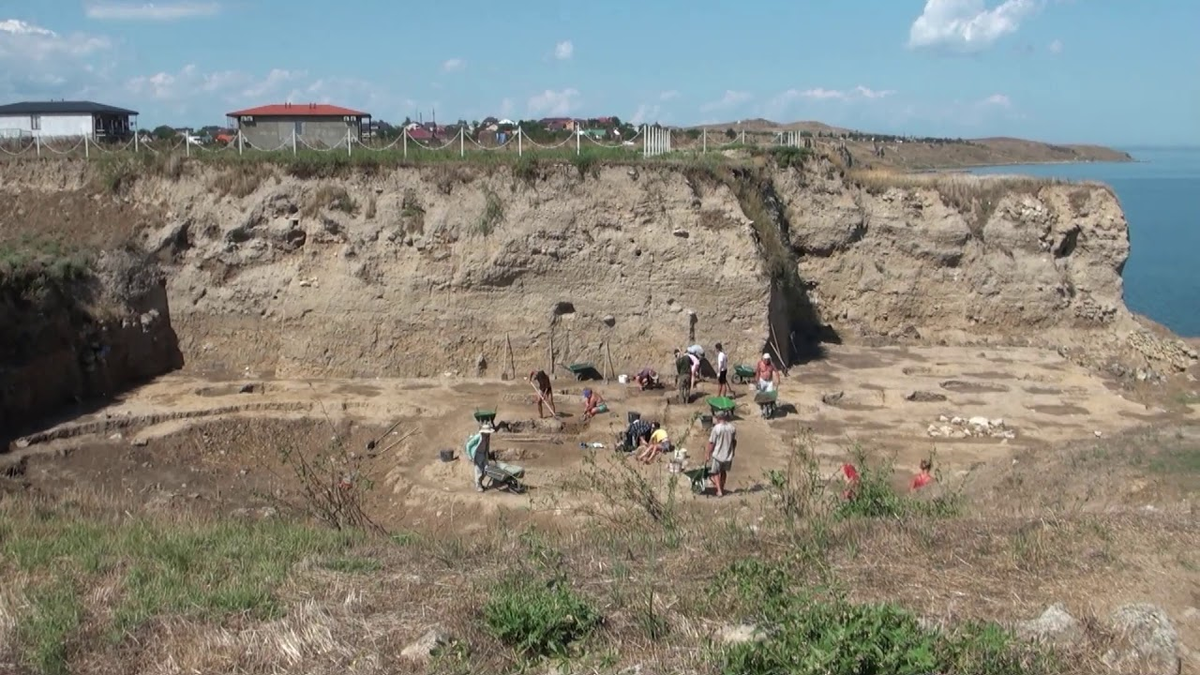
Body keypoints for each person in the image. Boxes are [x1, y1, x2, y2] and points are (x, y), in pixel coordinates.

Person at [706, 410, 737, 497]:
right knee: (723, 471)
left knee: (715, 472)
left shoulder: (717, 428)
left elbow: (711, 443)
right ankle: (722, 487)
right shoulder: (732, 428)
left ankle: (719, 491)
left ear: (718, 418)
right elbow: (734, 442)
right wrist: (733, 451)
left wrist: (708, 453)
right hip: (728, 455)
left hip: (718, 455)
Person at [465, 422, 494, 492]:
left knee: (486, 470)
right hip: (477, 454)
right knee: (478, 470)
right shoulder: (478, 437)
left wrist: (488, 453)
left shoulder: (488, 437)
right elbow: (468, 445)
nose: (488, 434)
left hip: (484, 454)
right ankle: (478, 486)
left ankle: (480, 483)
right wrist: (469, 456)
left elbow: (487, 446)